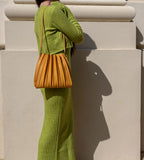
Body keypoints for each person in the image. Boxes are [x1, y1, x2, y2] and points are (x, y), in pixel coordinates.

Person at [34, 0, 84, 160]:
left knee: (63, 125)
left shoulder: (39, 13)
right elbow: (78, 36)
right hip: (58, 76)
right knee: (54, 126)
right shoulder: (55, 11)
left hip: (49, 75)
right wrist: (67, 12)